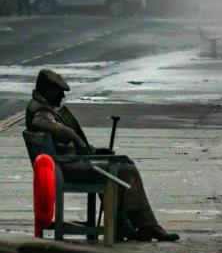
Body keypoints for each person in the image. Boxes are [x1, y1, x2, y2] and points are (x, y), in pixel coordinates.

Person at [25, 69, 179, 242]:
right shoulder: (40, 110)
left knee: (123, 163)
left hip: (66, 163)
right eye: (59, 91)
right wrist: (75, 137)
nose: (62, 96)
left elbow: (61, 144)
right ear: (47, 89)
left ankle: (124, 224)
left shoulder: (41, 106)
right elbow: (41, 123)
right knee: (126, 170)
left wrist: (94, 151)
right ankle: (145, 225)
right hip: (66, 167)